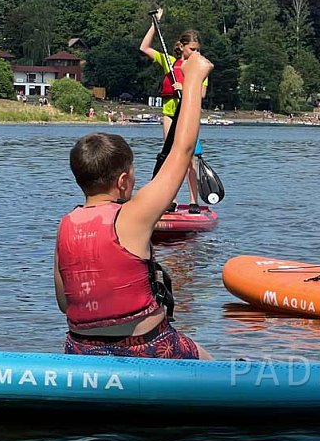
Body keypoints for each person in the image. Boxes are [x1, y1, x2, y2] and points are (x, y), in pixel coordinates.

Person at [53, 51, 215, 360]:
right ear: (124, 181)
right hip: (148, 346)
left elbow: (65, 303)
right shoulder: (133, 215)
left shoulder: (66, 225)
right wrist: (193, 80)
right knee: (207, 360)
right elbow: (181, 152)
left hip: (80, 350)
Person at [139, 9, 208, 215]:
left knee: (190, 159)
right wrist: (155, 23)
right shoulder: (169, 61)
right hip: (170, 113)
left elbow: (202, 94)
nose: (195, 53)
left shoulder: (201, 67)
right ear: (183, 46)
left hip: (189, 115)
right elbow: (144, 47)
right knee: (170, 156)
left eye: (198, 49)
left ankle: (194, 200)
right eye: (192, 49)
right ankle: (171, 200)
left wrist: (184, 87)